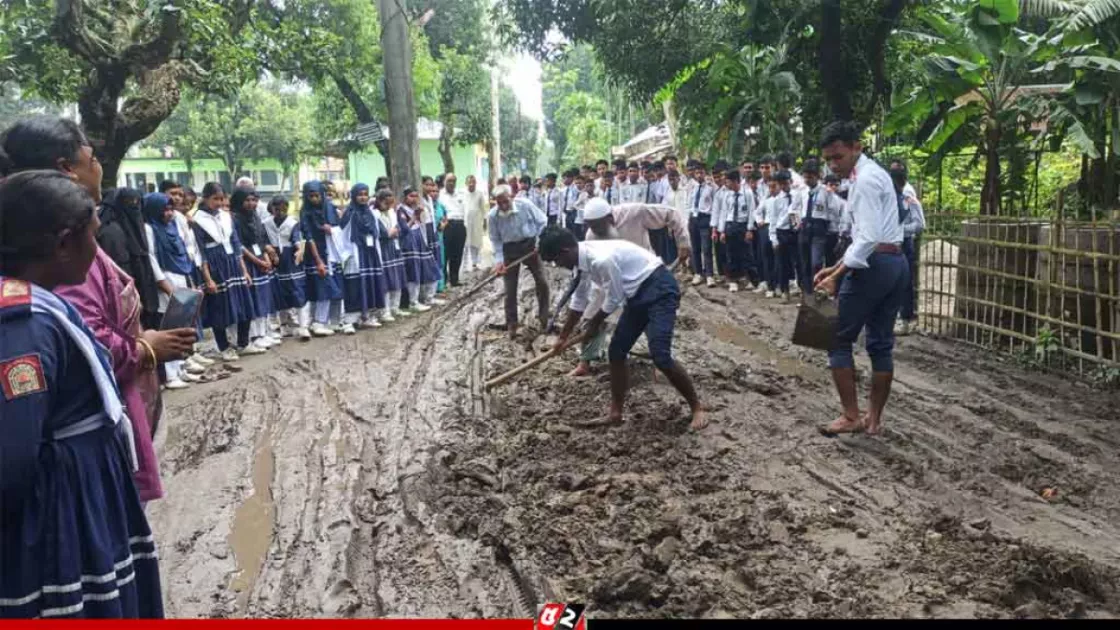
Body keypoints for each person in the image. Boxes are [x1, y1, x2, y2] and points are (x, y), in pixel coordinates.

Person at [2, 116, 194, 506]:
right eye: (93, 159)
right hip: (77, 463)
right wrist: (146, 348)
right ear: (66, 169)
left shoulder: (57, 248)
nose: (100, 168)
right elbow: (88, 345)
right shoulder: (58, 268)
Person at [0, 170, 165, 619]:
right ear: (62, 244)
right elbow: (14, 457)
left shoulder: (42, 303)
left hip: (82, 492)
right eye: (93, 236)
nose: (98, 250)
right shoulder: (24, 327)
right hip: (62, 509)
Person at [541, 226, 706, 431]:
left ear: (564, 251)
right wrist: (562, 337)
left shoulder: (600, 259)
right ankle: (615, 413)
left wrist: (595, 323)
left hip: (660, 290)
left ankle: (697, 407)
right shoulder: (580, 261)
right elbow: (579, 299)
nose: (557, 265)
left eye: (556, 260)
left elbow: (614, 297)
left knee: (660, 356)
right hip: (635, 295)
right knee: (616, 352)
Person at [814, 120, 909, 437]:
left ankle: (851, 416)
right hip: (895, 262)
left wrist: (837, 276)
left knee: (837, 339)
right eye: (828, 159)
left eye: (838, 156)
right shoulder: (874, 174)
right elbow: (871, 235)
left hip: (873, 266)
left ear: (857, 147)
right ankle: (874, 420)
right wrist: (835, 266)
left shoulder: (866, 180)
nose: (833, 164)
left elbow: (868, 238)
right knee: (880, 345)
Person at [566, 198, 690, 376]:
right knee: (592, 317)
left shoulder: (635, 213)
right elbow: (595, 276)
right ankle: (585, 360)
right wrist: (597, 311)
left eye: (598, 226)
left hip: (646, 276)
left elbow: (672, 214)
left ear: (610, 218)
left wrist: (683, 242)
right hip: (611, 279)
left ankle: (662, 361)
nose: (595, 231)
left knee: (652, 319)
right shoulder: (591, 236)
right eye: (591, 226)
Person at [192, 182, 258, 360]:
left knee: (244, 303)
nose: (219, 203)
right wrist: (208, 279)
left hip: (232, 263)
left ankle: (243, 343)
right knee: (219, 308)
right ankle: (224, 347)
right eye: (215, 199)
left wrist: (244, 271)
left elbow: (236, 245)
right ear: (205, 198)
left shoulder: (227, 217)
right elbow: (200, 251)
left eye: (222, 199)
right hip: (215, 266)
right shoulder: (198, 220)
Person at [142, 192, 199, 389]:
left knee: (181, 324)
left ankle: (181, 367)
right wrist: (166, 286)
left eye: (170, 209)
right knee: (167, 326)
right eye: (164, 210)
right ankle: (169, 375)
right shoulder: (149, 229)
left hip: (180, 277)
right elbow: (151, 260)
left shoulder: (172, 226)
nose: (169, 214)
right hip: (165, 282)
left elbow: (184, 253)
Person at [487, 184, 550, 339]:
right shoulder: (492, 216)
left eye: (505, 201)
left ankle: (544, 319)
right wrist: (499, 261)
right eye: (499, 203)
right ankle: (512, 324)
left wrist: (539, 241)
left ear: (512, 197)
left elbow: (543, 221)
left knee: (542, 282)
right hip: (509, 250)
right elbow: (495, 240)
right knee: (510, 290)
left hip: (530, 246)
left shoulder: (525, 205)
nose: (503, 206)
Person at [97, 187, 161, 329]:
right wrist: (132, 298)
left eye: (137, 202)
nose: (134, 206)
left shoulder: (137, 226)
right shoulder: (112, 232)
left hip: (144, 292)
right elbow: (119, 270)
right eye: (129, 202)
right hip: (127, 300)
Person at [232, 186, 281, 348]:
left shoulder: (255, 217)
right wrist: (258, 262)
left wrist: (266, 259)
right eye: (247, 200)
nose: (251, 203)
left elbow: (261, 240)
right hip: (248, 262)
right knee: (253, 300)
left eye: (254, 200)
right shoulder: (236, 219)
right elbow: (240, 246)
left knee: (263, 298)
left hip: (260, 260)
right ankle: (254, 336)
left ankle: (263, 332)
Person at [299, 180, 344, 337]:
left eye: (317, 195)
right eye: (311, 196)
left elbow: (339, 227)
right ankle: (318, 322)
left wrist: (332, 229)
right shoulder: (305, 212)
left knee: (332, 287)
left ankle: (331, 321)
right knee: (321, 287)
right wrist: (318, 261)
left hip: (332, 252)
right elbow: (309, 237)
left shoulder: (329, 208)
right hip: (315, 254)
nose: (314, 199)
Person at [339, 183, 386, 330]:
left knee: (371, 282)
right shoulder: (350, 213)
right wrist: (347, 253)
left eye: (365, 194)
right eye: (360, 194)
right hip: (355, 253)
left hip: (370, 253)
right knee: (354, 285)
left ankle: (368, 316)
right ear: (354, 196)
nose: (363, 197)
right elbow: (342, 234)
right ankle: (351, 319)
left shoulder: (371, 213)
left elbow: (376, 233)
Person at [264, 196, 311, 340]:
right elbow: (263, 240)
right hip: (275, 260)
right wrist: (269, 251)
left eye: (283, 208)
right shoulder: (266, 223)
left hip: (290, 259)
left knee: (298, 291)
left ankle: (303, 326)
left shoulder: (293, 223)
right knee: (280, 293)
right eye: (276, 209)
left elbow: (297, 239)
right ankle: (284, 325)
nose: (280, 212)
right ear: (271, 209)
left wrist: (300, 250)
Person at [890, 160, 925, 337]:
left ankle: (905, 319)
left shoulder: (908, 195)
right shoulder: (891, 194)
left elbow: (919, 225)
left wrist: (899, 230)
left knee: (905, 281)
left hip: (904, 242)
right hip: (892, 242)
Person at [716, 171, 759, 293]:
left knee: (747, 254)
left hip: (742, 225)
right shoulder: (727, 195)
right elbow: (724, 212)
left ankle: (752, 280)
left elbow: (751, 211)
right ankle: (733, 280)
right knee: (731, 254)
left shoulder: (747, 193)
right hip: (730, 225)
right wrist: (722, 231)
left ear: (735, 181)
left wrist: (749, 229)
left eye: (728, 181)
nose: (727, 184)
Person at [374, 189, 407, 321]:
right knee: (386, 280)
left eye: (390, 203)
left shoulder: (392, 213)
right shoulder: (375, 214)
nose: (387, 206)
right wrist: (388, 234)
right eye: (385, 203)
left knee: (396, 277)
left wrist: (396, 231)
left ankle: (395, 307)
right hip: (383, 249)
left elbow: (399, 227)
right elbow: (378, 232)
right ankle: (385, 310)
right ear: (379, 201)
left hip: (394, 248)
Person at [766, 170, 797, 302]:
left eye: (786, 183)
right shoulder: (776, 200)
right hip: (782, 232)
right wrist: (773, 239)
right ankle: (785, 291)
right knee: (782, 263)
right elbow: (773, 221)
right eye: (781, 184)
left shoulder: (797, 196)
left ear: (791, 181)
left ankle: (800, 288)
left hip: (795, 231)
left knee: (799, 262)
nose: (784, 186)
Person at [686, 161, 716, 287]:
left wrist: (713, 223)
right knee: (695, 248)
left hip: (705, 218)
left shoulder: (711, 187)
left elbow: (714, 205)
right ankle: (698, 273)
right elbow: (688, 203)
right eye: (697, 173)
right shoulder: (691, 187)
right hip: (693, 218)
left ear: (705, 173)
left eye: (701, 173)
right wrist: (688, 218)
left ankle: (709, 275)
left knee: (706, 248)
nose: (699, 175)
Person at [440, 173, 468, 285]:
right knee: (445, 253)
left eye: (453, 181)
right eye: (449, 181)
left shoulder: (460, 194)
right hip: (447, 225)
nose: (451, 183)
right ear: (444, 182)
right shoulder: (440, 195)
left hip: (460, 224)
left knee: (458, 253)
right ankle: (444, 279)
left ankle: (454, 279)